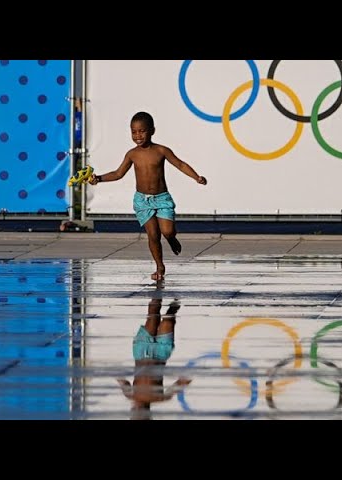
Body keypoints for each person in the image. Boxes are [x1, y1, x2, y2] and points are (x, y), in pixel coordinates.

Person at [89, 111, 207, 281]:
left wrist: (196, 177)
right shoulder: (132, 154)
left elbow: (180, 164)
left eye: (142, 131)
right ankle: (159, 266)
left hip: (162, 198)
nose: (138, 135)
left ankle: (171, 238)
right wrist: (99, 178)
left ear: (152, 130)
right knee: (153, 235)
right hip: (142, 200)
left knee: (167, 231)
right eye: (134, 132)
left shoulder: (161, 151)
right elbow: (118, 173)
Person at [116, 297, 191, 420]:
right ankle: (171, 311)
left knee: (153, 316)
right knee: (167, 321)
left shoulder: (130, 395)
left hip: (142, 351)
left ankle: (158, 285)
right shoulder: (159, 398)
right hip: (160, 354)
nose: (135, 410)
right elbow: (176, 387)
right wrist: (183, 381)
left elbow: (122, 381)